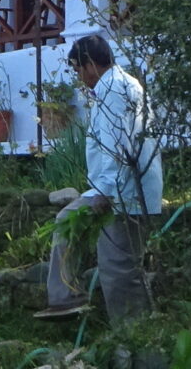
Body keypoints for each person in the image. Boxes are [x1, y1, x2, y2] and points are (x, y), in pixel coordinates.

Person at [42, 32, 161, 322]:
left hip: (121, 190)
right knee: (66, 225)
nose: (79, 77)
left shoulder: (112, 90)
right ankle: (66, 297)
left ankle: (132, 330)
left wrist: (105, 191)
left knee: (118, 268)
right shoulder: (127, 83)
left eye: (78, 69)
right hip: (129, 185)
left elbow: (115, 144)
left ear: (90, 65)